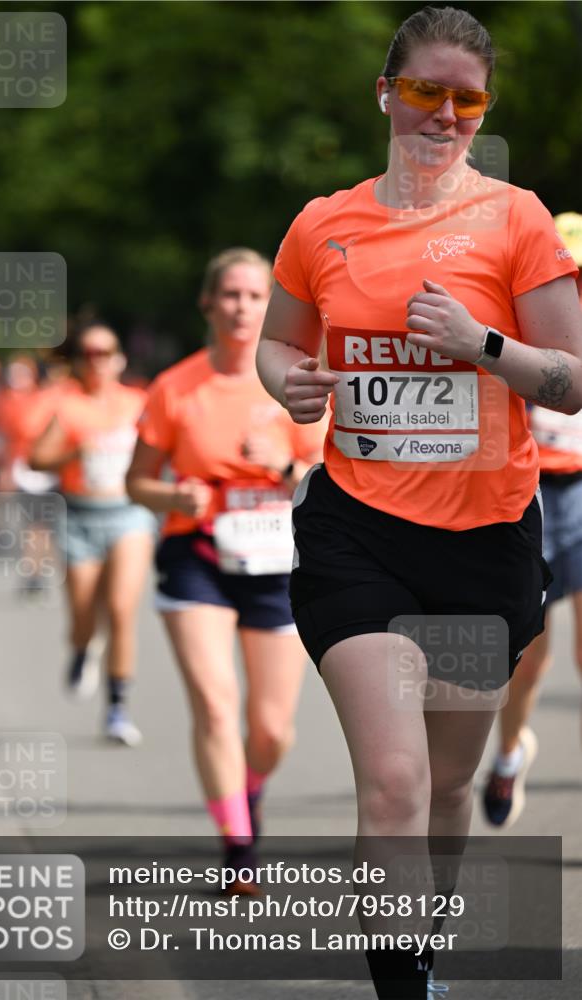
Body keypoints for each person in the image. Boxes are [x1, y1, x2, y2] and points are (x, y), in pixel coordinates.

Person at [255, 6, 582, 998]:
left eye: (466, 98)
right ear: (386, 94)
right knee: (393, 781)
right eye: (426, 92)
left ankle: (420, 952)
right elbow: (278, 342)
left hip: (483, 545)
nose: (444, 114)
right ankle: (401, 990)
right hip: (358, 534)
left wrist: (480, 344)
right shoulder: (323, 221)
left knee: (442, 791)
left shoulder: (517, 218)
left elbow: (569, 379)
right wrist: (287, 384)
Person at [126, 248, 325, 890]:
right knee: (215, 707)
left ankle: (250, 788)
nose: (241, 307)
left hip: (277, 563)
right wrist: (171, 497)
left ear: (271, 306)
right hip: (199, 559)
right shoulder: (175, 387)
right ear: (208, 305)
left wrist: (280, 466)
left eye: (253, 295)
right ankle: (238, 847)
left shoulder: (296, 381)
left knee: (271, 730)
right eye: (229, 295)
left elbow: (328, 486)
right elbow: (136, 483)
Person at [483, 211, 582, 827]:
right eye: (564, 272)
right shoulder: (517, 317)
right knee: (528, 656)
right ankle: (511, 750)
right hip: (527, 490)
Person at [30, 323, 157, 746]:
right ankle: (83, 648)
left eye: (105, 353)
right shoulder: (68, 408)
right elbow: (36, 459)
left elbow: (167, 447)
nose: (97, 361)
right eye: (89, 354)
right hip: (79, 516)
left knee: (121, 609)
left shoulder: (139, 403)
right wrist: (73, 451)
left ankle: (118, 708)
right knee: (84, 611)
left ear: (119, 358)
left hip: (128, 515)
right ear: (80, 361)